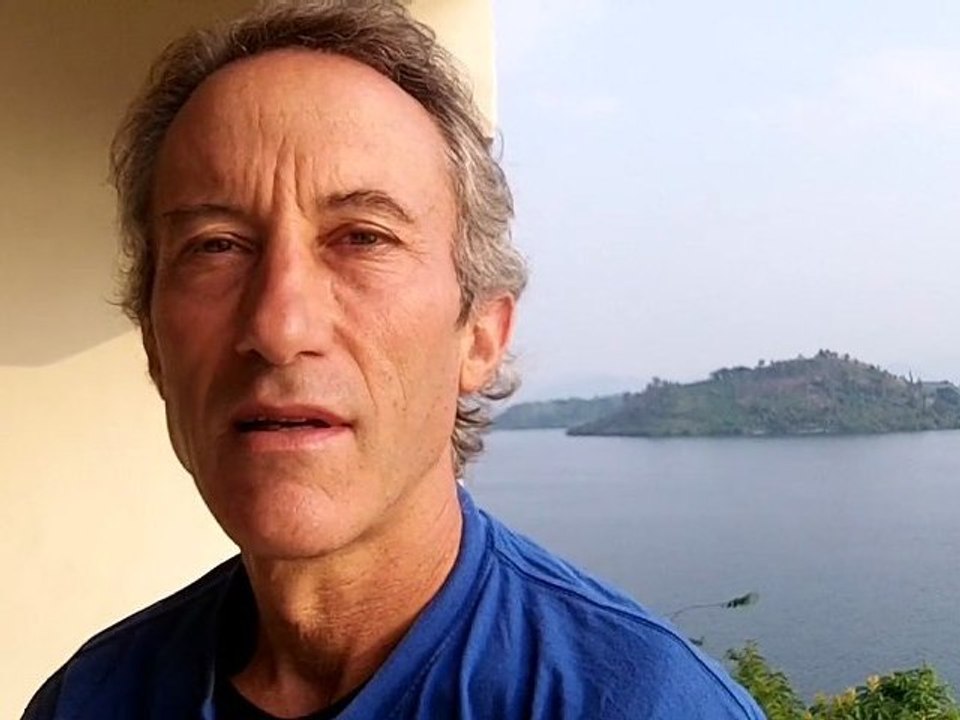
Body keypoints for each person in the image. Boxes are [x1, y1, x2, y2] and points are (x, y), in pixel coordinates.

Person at [23, 2, 765, 718]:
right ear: (153, 343)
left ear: (480, 335)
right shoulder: (89, 700)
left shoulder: (638, 704)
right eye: (216, 245)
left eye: (363, 238)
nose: (279, 326)